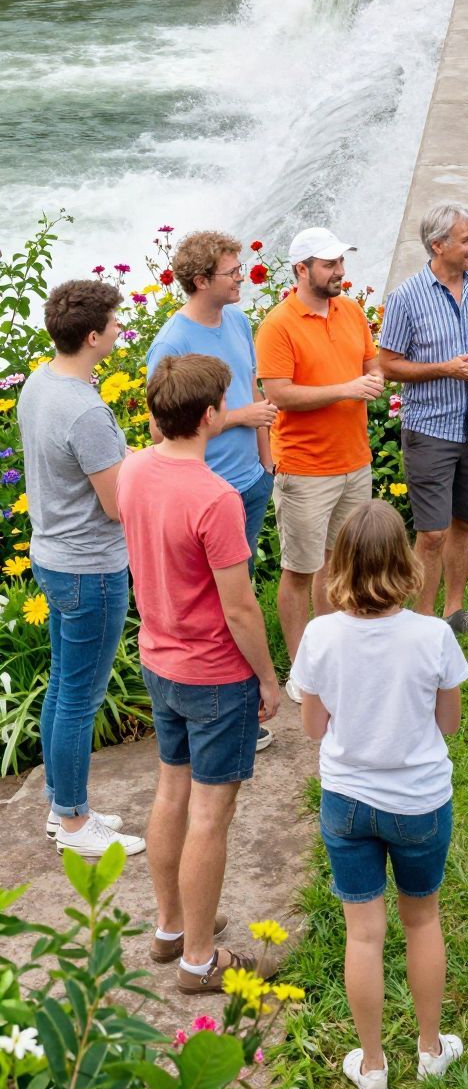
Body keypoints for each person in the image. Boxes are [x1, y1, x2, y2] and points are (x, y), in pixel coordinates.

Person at [290, 501, 468, 1089]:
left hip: (347, 801)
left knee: (362, 935)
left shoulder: (320, 635)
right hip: (420, 802)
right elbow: (449, 723)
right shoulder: (434, 634)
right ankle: (429, 1048)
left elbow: (314, 729)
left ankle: (371, 1067)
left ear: (340, 565)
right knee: (422, 920)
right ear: (407, 563)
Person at [117, 353, 280, 993]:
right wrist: (267, 679)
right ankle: (201, 961)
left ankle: (169, 929)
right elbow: (240, 606)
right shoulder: (215, 498)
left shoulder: (133, 471)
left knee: (170, 791)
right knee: (211, 814)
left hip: (159, 658)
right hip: (213, 671)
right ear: (211, 416)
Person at [20, 278, 145, 858]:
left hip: (51, 556)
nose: (120, 330)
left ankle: (61, 804)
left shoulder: (40, 384)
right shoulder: (87, 411)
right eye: (115, 324)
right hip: (90, 567)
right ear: (93, 336)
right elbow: (117, 504)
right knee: (79, 698)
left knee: (62, 689)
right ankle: (73, 823)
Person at [146, 230, 278, 752]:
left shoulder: (240, 322)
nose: (241, 278)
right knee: (216, 608)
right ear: (202, 281)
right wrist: (240, 418)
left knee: (238, 594)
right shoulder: (172, 343)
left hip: (248, 484)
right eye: (231, 272)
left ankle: (240, 704)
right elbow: (162, 430)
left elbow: (254, 390)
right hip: (203, 495)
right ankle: (223, 710)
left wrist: (266, 460)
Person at [378, 203, 468, 644]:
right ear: (438, 246)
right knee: (432, 531)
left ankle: (455, 611)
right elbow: (389, 366)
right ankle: (420, 623)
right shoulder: (406, 298)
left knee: (466, 523)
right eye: (466, 239)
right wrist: (446, 369)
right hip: (430, 429)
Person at [254, 228, 383, 691]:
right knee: (300, 570)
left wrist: (373, 377)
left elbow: (371, 362)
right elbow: (279, 394)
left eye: (341, 263)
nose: (340, 272)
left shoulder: (350, 310)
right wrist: (347, 389)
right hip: (306, 469)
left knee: (338, 566)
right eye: (329, 265)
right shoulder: (278, 325)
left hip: (355, 461)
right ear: (301, 270)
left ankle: (332, 657)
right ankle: (301, 672)